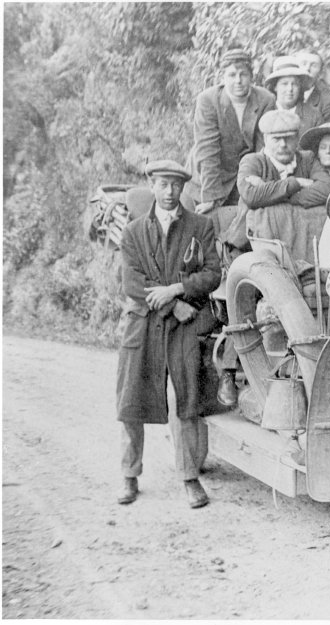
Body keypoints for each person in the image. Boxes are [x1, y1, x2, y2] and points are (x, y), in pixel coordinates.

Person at [116, 160, 221, 509]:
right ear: (152, 185)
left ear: (182, 189)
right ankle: (129, 476)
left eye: (175, 185)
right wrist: (172, 305)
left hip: (185, 327)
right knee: (132, 400)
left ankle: (189, 477)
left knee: (187, 400)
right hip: (143, 322)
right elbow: (132, 283)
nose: (169, 191)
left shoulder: (200, 226)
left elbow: (212, 275)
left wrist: (177, 288)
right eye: (162, 184)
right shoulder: (132, 232)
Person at [232, 110, 330, 263]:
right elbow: (251, 196)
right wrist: (296, 183)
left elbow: (328, 189)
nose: (283, 145)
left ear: (297, 138)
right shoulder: (252, 161)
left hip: (305, 242)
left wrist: (273, 195)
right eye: (276, 139)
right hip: (252, 244)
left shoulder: (307, 158)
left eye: (288, 138)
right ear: (265, 139)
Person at [184, 47, 275, 215]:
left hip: (242, 177)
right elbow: (208, 150)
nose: (238, 81)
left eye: (243, 74)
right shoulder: (208, 100)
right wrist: (210, 197)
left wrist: (257, 187)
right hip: (207, 179)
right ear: (222, 77)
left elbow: (264, 148)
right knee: (205, 223)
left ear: (251, 76)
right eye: (232, 75)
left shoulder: (265, 100)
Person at [265, 56, 321, 140]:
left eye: (294, 84)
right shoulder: (266, 113)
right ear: (275, 87)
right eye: (284, 84)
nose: (290, 89)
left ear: (300, 87)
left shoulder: (313, 115)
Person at [293, 48, 330, 124]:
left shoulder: (327, 102)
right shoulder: (284, 95)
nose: (307, 68)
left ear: (320, 73)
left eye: (314, 65)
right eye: (303, 63)